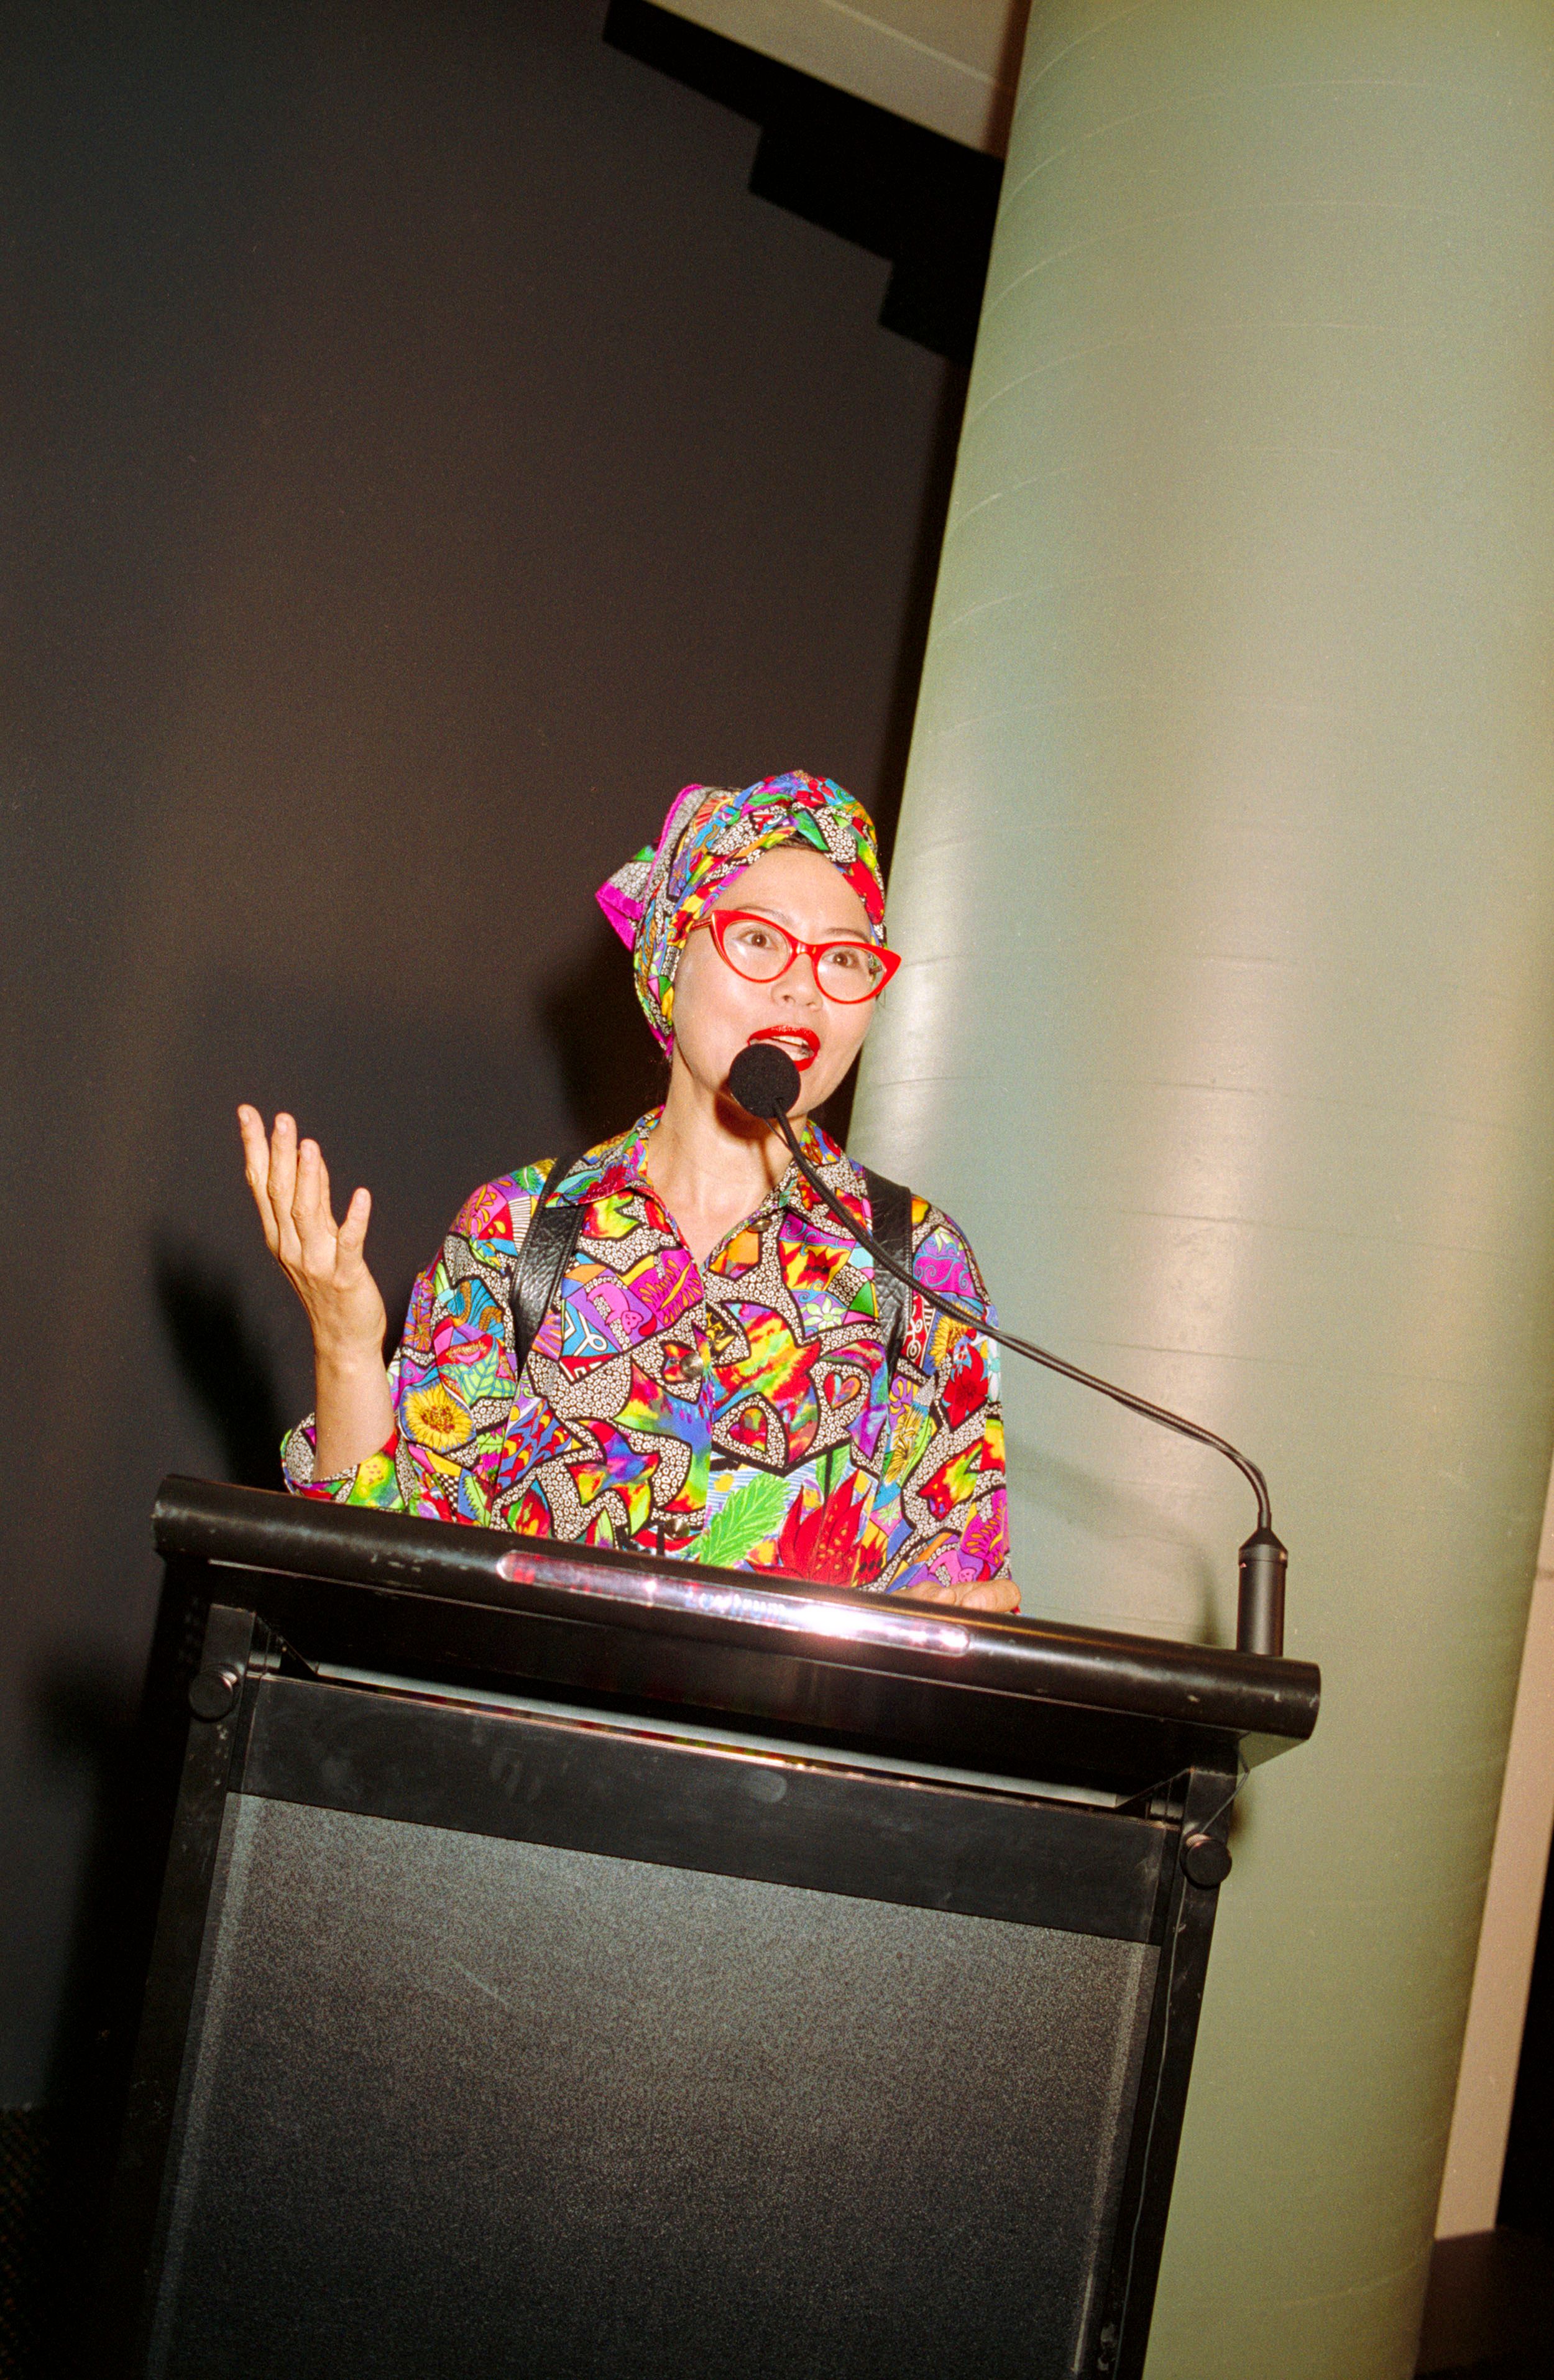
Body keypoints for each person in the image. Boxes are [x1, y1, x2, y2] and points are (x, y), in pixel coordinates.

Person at [238, 770, 1016, 1610]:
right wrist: (345, 1349)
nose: (803, 987)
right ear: (672, 957)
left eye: (845, 957)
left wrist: (957, 1636)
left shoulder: (919, 1265)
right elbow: (386, 1585)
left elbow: (956, 1612)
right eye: (760, 940)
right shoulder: (516, 1233)